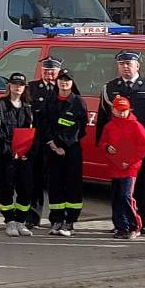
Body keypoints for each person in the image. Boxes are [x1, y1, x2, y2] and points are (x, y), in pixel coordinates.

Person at [94, 51, 145, 235]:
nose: (125, 67)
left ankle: (144, 221)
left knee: (143, 183)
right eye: (122, 64)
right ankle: (120, 222)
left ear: (138, 66)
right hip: (117, 148)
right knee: (118, 186)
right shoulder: (110, 88)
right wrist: (101, 143)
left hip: (141, 146)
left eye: (129, 63)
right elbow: (103, 117)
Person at [40, 70, 87, 237]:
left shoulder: (78, 102)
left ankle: (70, 222)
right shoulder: (49, 100)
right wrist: (52, 143)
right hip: (53, 149)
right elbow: (43, 124)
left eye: (67, 80)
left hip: (71, 150)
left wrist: (63, 144)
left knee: (72, 186)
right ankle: (56, 220)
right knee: (55, 186)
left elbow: (80, 129)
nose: (64, 82)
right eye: (61, 79)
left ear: (72, 83)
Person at [97, 96, 145, 240]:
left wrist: (130, 161)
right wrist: (107, 147)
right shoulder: (109, 126)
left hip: (129, 169)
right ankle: (121, 227)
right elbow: (102, 143)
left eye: (124, 110)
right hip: (115, 167)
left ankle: (135, 226)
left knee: (126, 196)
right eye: (119, 110)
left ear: (129, 110)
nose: (121, 113)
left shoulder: (136, 125)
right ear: (113, 110)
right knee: (116, 198)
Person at [0, 73, 37, 237]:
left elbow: (34, 132)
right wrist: (11, 152)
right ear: (9, 86)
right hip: (6, 156)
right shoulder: (0, 104)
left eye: (20, 84)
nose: (17, 87)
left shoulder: (29, 107)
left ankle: (21, 221)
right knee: (6, 189)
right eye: (14, 84)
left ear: (25, 87)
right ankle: (9, 221)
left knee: (26, 188)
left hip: (24, 157)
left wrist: (27, 153)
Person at [25, 56, 63, 229]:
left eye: (52, 71)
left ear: (58, 71)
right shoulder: (32, 88)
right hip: (37, 143)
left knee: (56, 182)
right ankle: (33, 217)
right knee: (35, 181)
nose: (49, 74)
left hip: (56, 143)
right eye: (46, 70)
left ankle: (57, 218)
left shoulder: (63, 88)